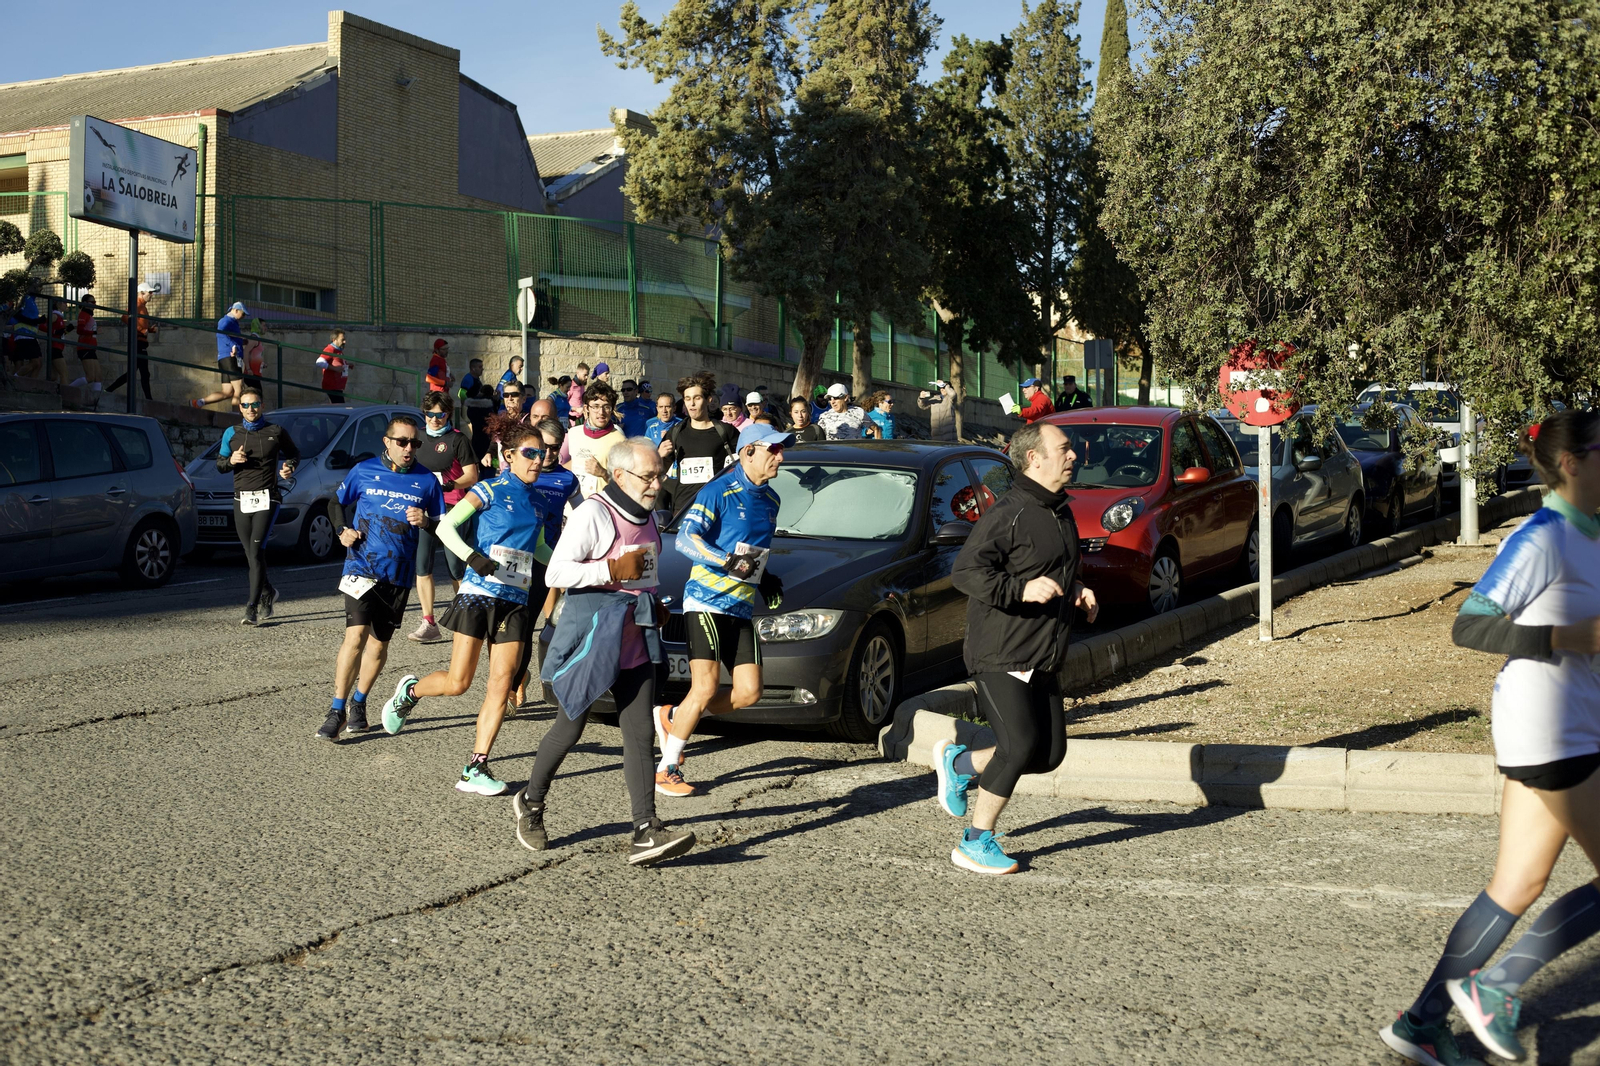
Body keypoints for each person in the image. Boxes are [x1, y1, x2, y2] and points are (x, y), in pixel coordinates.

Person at [1379, 408, 1600, 1066]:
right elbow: (1470, 625)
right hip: (1552, 725)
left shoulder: (1588, 536)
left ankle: (1421, 1022)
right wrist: (1561, 638)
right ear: (1572, 463)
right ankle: (1495, 985)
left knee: (1516, 884)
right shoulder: (1543, 537)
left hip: (1569, 723)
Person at [514, 437, 697, 866]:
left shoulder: (649, 515)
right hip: (594, 639)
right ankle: (531, 800)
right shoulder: (594, 513)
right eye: (648, 476)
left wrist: (655, 604)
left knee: (639, 736)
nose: (657, 483)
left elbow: (643, 575)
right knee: (570, 729)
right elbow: (556, 571)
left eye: (660, 474)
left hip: (636, 641)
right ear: (619, 476)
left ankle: (645, 829)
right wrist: (611, 570)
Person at [933, 421, 1097, 875]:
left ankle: (962, 762)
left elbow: (1054, 567)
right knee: (1020, 743)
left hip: (1044, 650)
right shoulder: (1009, 512)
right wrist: (1020, 590)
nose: (1072, 456)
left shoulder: (1059, 510)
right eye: (1063, 449)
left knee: (1047, 755)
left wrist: (1078, 588)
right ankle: (974, 841)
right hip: (1002, 650)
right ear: (1034, 458)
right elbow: (966, 572)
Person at [381, 421, 549, 795]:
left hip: (516, 600)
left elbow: (538, 551)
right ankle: (410, 692)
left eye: (543, 453)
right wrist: (473, 557)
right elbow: (446, 529)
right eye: (530, 453)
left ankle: (476, 765)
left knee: (501, 684)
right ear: (509, 456)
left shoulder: (536, 502)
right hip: (479, 593)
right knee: (459, 683)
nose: (539, 460)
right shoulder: (488, 489)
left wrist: (575, 569)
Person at [655, 422, 791, 797]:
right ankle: (667, 768)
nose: (780, 456)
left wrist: (765, 578)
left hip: (741, 606)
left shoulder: (772, 500)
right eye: (773, 450)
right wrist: (728, 561)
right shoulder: (719, 490)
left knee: (749, 692)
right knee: (706, 686)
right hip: (706, 602)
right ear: (749, 452)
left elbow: (752, 555)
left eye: (781, 450)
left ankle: (673, 716)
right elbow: (685, 539)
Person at [321, 415, 445, 740]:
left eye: (414, 443)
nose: (409, 448)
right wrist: (341, 531)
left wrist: (427, 522)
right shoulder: (363, 471)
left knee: (378, 647)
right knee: (355, 636)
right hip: (360, 566)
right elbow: (336, 502)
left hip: (399, 574)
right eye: (402, 442)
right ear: (387, 443)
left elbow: (444, 526)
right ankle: (336, 709)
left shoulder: (427, 481)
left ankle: (359, 702)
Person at [216, 385, 300, 625]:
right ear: (239, 407)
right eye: (245, 405)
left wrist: (289, 467)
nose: (250, 409)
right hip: (241, 498)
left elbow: (294, 453)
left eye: (255, 404)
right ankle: (268, 592)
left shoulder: (276, 431)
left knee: (256, 551)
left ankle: (251, 608)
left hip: (268, 497)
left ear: (262, 406)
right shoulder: (231, 433)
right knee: (251, 555)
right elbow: (220, 464)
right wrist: (231, 460)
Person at [408, 391, 481, 643]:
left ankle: (467, 619)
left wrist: (447, 485)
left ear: (448, 414)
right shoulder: (417, 438)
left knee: (456, 567)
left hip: (454, 509)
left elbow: (472, 476)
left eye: (440, 415)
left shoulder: (457, 439)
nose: (434, 419)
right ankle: (428, 622)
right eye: (430, 414)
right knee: (422, 566)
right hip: (425, 509)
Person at [657, 372, 738, 518]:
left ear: (708, 400)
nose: (692, 404)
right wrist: (659, 457)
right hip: (683, 508)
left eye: (697, 398)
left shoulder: (725, 431)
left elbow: (746, 464)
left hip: (716, 507)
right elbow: (656, 469)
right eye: (687, 399)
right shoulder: (676, 432)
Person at [561, 380, 625, 498]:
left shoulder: (619, 440)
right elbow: (573, 463)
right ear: (586, 408)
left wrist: (603, 473)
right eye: (595, 406)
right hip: (573, 508)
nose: (601, 412)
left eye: (606, 407)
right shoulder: (574, 433)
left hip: (602, 507)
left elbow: (626, 484)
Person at [192, 302, 249, 409]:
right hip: (231, 358)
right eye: (243, 314)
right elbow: (220, 333)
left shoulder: (232, 322)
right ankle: (235, 416)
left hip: (225, 358)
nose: (243, 317)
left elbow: (229, 336)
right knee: (239, 389)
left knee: (227, 392)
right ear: (236, 310)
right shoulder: (226, 320)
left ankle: (198, 403)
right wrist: (233, 346)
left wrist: (241, 341)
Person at [73, 294, 102, 393]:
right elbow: (79, 330)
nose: (94, 304)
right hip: (85, 347)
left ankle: (95, 400)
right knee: (90, 377)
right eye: (92, 302)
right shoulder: (83, 314)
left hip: (91, 348)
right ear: (85, 303)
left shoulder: (89, 315)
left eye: (95, 302)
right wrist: (93, 332)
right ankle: (67, 389)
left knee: (98, 377)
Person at [317, 331, 349, 403]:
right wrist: (335, 369)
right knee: (340, 408)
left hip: (337, 386)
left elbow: (336, 362)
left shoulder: (338, 350)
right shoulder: (330, 349)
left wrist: (348, 365)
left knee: (339, 407)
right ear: (334, 340)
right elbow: (319, 362)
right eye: (342, 340)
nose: (344, 342)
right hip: (332, 386)